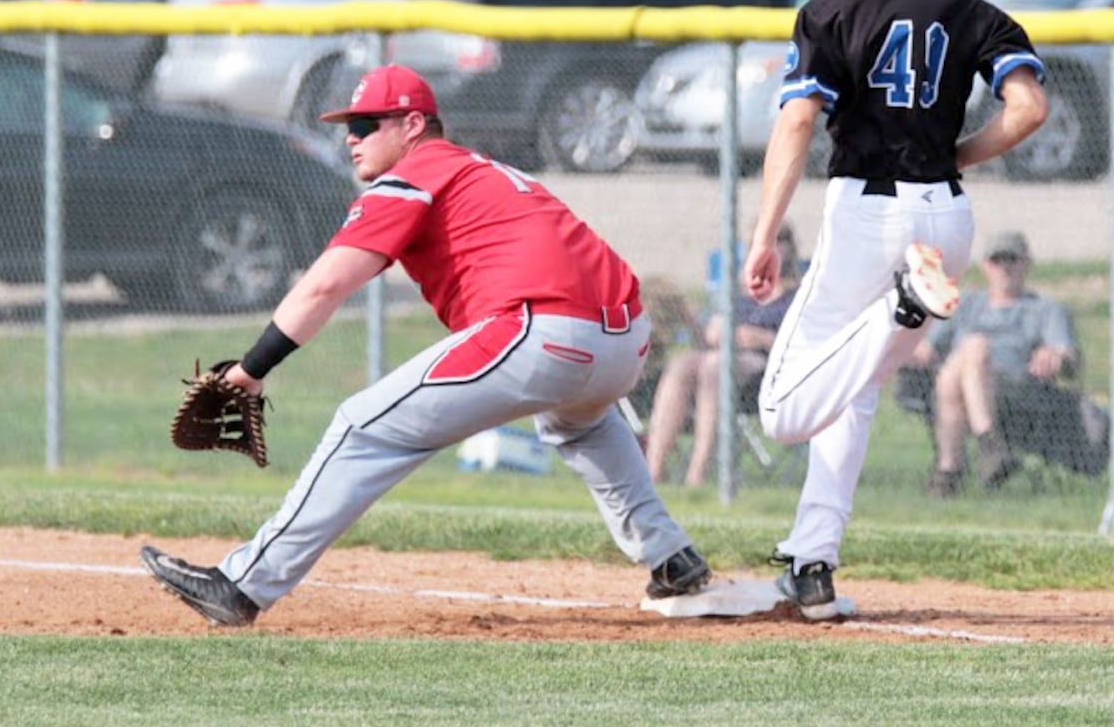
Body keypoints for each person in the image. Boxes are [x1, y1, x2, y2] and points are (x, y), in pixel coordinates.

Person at [140, 64, 711, 627]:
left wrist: (253, 368)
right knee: (582, 424)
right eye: (349, 124)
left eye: (368, 123)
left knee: (362, 427)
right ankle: (671, 558)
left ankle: (241, 585)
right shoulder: (481, 170)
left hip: (541, 329)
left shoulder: (413, 177)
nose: (352, 137)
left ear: (412, 125)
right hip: (625, 340)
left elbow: (325, 283)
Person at [741, 0, 1049, 620]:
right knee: (854, 392)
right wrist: (961, 155)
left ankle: (902, 307)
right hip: (946, 212)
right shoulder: (969, 6)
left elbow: (797, 120)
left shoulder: (829, 9)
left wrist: (764, 231)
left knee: (782, 410)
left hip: (867, 209)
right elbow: (1029, 108)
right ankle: (812, 566)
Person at [907, 230, 1104, 496]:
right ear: (985, 266)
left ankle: (949, 470)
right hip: (958, 382)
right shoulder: (966, 304)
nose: (1005, 267)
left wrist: (1053, 357)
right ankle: (987, 448)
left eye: (1012, 259)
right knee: (961, 365)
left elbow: (1066, 355)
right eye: (997, 260)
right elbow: (926, 348)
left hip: (1016, 388)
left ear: (1027, 264)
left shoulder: (1044, 309)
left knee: (973, 349)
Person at [644, 227, 802, 486]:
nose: (771, 248)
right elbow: (706, 339)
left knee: (715, 366)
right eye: (763, 242)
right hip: (719, 357)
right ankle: (654, 471)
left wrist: (759, 338)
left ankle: (698, 472)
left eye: (779, 242)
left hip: (767, 369)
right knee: (682, 364)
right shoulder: (738, 294)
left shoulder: (797, 296)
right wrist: (696, 323)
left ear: (790, 249)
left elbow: (805, 349)